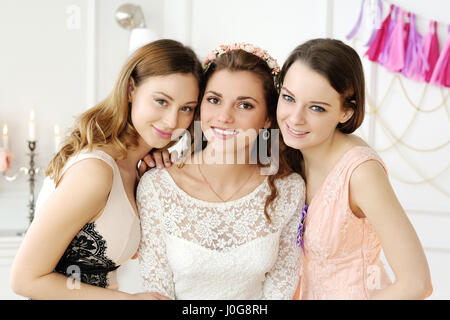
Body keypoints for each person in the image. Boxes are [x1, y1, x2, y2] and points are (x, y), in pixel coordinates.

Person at [10, 39, 203, 300]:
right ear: (131, 89)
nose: (172, 121)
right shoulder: (94, 172)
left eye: (186, 108)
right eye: (161, 101)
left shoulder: (134, 169)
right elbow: (25, 279)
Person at [137, 43, 305, 299]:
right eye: (214, 100)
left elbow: (281, 287)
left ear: (268, 119)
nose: (224, 117)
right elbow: (157, 290)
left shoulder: (288, 189)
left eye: (245, 105)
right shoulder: (157, 185)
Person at [276, 38, 432, 299]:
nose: (295, 118)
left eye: (316, 108)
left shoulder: (361, 173)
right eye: (289, 98)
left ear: (345, 112)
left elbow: (417, 283)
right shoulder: (289, 153)